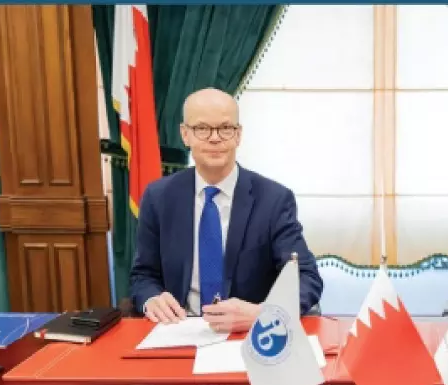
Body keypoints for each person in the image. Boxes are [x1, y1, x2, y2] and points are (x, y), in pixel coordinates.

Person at [130, 88, 323, 332]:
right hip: (179, 329)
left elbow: (305, 277)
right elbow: (143, 275)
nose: (215, 138)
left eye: (225, 128)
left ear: (238, 135)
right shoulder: (159, 197)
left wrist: (263, 313)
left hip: (251, 334)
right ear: (185, 134)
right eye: (202, 128)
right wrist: (151, 299)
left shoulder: (274, 199)